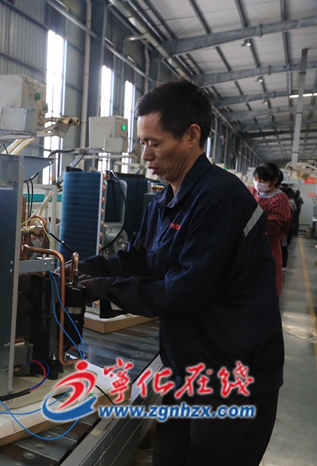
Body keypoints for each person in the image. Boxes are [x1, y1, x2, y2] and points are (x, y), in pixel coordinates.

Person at [73, 79, 284, 466]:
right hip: (187, 369)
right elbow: (141, 258)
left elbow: (181, 291)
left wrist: (104, 289)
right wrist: (80, 270)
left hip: (233, 378)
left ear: (191, 136)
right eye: (142, 143)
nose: (145, 155)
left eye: (154, 143)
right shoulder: (165, 200)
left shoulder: (218, 198)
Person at [249, 164, 291, 294]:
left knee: (264, 288)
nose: (258, 183)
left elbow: (272, 228)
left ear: (275, 180)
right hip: (248, 247)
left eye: (262, 180)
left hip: (267, 248)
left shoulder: (279, 199)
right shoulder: (251, 191)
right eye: (256, 179)